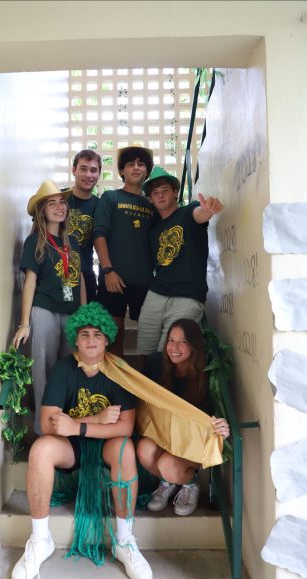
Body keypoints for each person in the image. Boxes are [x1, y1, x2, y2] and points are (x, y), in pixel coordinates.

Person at [11, 302, 153, 579]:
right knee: (40, 449)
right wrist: (99, 418)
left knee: (125, 447)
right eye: (85, 333)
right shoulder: (64, 369)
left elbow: (125, 425)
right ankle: (40, 539)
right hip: (71, 447)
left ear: (107, 339)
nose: (90, 339)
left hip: (105, 445)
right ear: (75, 337)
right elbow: (49, 421)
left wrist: (79, 425)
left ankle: (124, 541)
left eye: (97, 334)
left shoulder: (119, 371)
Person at [12, 180, 86, 434]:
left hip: (72, 313)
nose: (59, 207)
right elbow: (29, 282)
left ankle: (67, 424)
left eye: (62, 202)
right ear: (42, 210)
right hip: (44, 311)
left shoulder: (72, 242)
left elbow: (81, 279)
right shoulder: (35, 242)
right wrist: (24, 323)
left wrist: (84, 315)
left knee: (70, 369)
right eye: (51, 203)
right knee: (43, 369)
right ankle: (43, 429)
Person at [137, 318, 230, 516]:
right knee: (144, 449)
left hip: (192, 442)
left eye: (183, 341)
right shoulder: (156, 364)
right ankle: (168, 482)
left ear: (194, 346)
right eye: (171, 340)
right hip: (165, 435)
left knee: (167, 464)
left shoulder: (207, 373)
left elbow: (216, 413)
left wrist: (222, 425)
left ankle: (189, 484)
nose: (174, 347)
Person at [137, 166, 224, 356]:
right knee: (144, 348)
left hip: (187, 296)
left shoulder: (188, 212)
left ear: (175, 192)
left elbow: (200, 214)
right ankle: (141, 385)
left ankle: (164, 387)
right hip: (157, 294)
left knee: (169, 354)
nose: (160, 196)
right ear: (150, 198)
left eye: (165, 191)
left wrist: (207, 209)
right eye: (155, 193)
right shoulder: (153, 229)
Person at [93, 144, 155, 357]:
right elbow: (98, 234)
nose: (136, 168)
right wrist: (108, 270)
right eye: (131, 164)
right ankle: (116, 388)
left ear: (147, 170)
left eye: (141, 164)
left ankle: (144, 387)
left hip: (145, 281)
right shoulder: (110, 198)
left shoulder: (152, 205)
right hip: (114, 280)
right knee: (113, 339)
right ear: (121, 171)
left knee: (149, 342)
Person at [66, 149, 102, 302]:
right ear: (74, 170)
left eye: (93, 170)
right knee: (64, 320)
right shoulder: (58, 200)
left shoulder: (100, 206)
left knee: (85, 322)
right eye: (83, 169)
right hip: (59, 274)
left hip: (86, 275)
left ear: (99, 174)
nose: (88, 175)